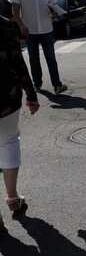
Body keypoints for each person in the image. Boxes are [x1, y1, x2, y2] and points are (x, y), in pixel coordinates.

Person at [0, 14, 40, 234]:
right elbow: (18, 61)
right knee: (8, 142)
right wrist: (31, 94)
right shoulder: (5, 25)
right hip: (5, 99)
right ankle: (13, 198)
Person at [8, 0, 68, 95]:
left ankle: (57, 85)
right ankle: (37, 84)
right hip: (30, 30)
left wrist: (54, 13)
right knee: (34, 59)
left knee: (51, 58)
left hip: (47, 29)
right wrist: (21, 25)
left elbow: (52, 4)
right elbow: (15, 11)